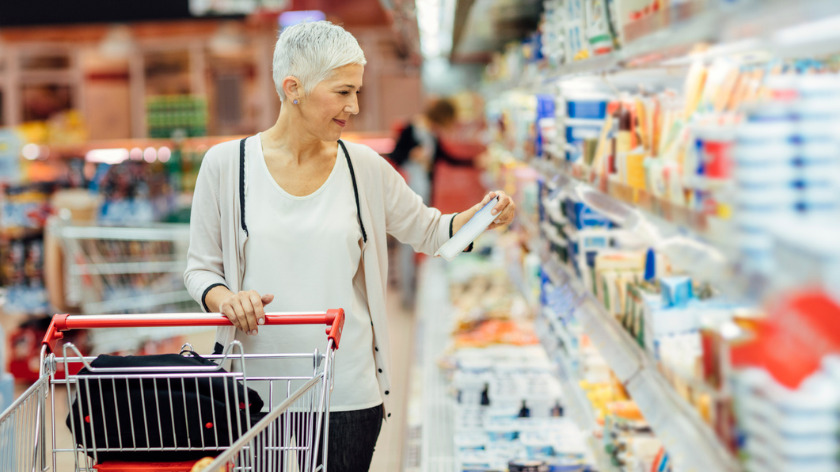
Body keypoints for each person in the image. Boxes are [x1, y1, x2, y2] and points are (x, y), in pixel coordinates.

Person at [183, 21, 515, 471]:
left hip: (347, 393)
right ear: (293, 87)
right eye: (342, 92)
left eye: (356, 91)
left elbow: (434, 233)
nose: (354, 106)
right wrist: (227, 298)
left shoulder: (365, 168)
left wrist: (482, 217)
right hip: (253, 394)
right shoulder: (226, 166)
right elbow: (201, 269)